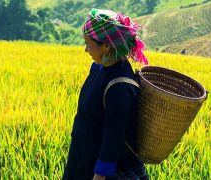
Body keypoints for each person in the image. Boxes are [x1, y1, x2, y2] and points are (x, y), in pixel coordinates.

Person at [63, 8, 149, 180]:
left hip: (100, 169)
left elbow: (114, 137)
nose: (86, 50)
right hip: (82, 158)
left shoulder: (121, 86)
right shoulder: (98, 68)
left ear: (106, 46)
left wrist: (100, 175)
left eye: (88, 44)